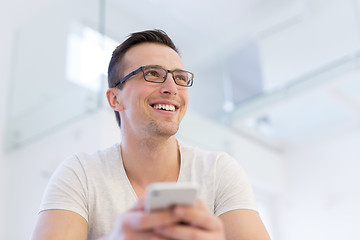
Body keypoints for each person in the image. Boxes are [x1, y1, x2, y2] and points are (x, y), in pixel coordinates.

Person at [31, 29, 271, 240]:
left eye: (179, 78)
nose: (172, 88)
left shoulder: (219, 171)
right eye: (153, 74)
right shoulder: (81, 174)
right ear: (115, 98)